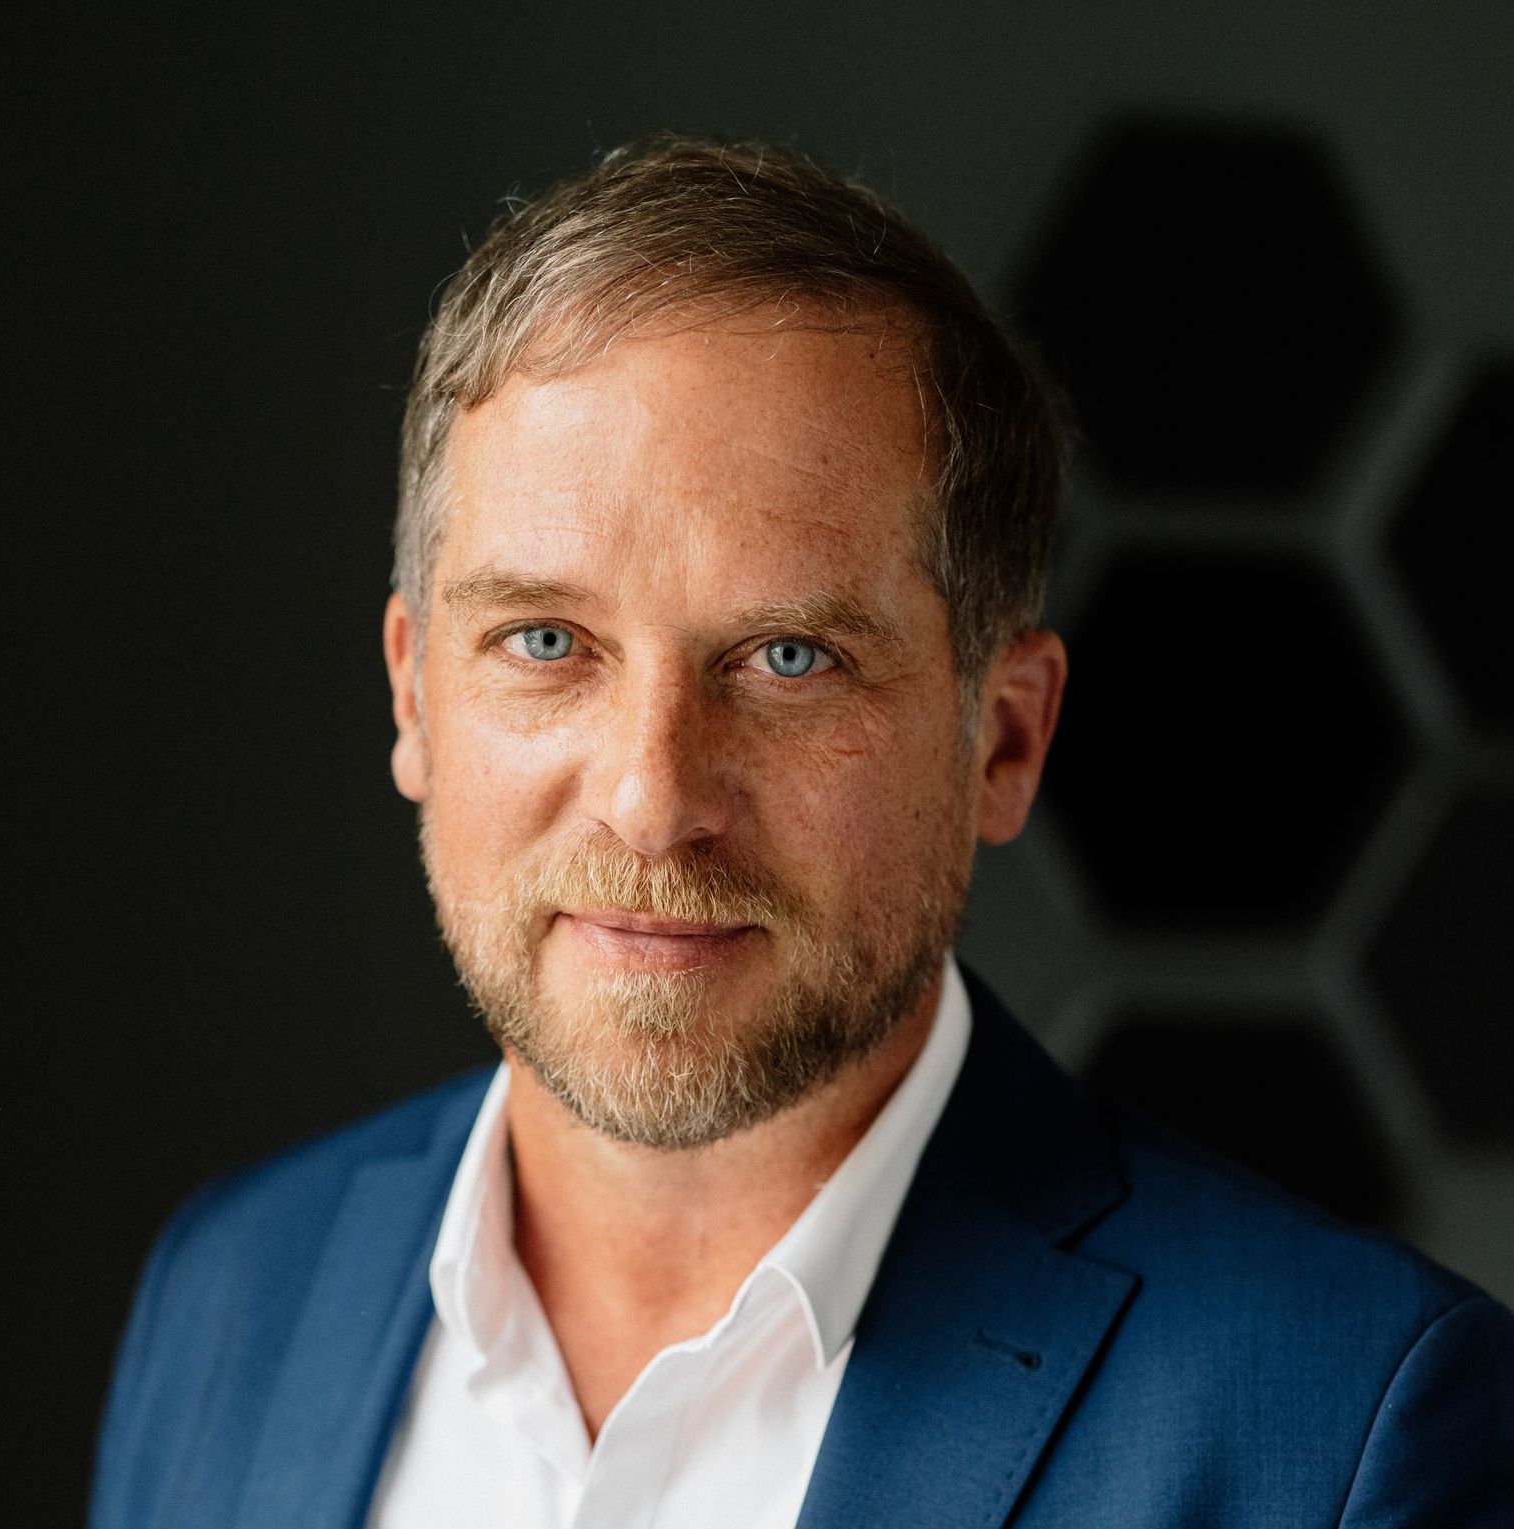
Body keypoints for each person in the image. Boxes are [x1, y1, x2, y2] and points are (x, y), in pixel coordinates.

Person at [90, 135, 1513, 1529]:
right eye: (545, 640)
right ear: (414, 693)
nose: (652, 799)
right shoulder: (233, 1292)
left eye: (789, 658)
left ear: (1003, 739)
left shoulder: (1349, 1438)